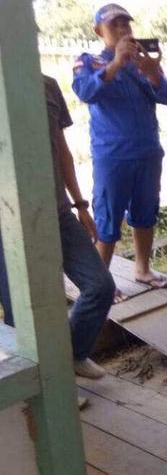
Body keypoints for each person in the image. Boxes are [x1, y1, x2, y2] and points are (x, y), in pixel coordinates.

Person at [0, 75, 116, 381]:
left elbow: (61, 149)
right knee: (21, 314)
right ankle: (49, 392)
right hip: (8, 223)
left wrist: (79, 204)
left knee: (100, 287)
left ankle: (73, 356)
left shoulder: (47, 86)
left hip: (57, 209)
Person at [72, 4, 167, 296]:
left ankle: (142, 270)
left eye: (125, 25)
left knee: (145, 213)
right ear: (98, 31)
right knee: (107, 219)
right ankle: (100, 285)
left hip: (148, 152)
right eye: (114, 25)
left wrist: (154, 73)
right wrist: (115, 63)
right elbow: (85, 92)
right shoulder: (88, 62)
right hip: (112, 157)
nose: (122, 30)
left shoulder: (141, 63)